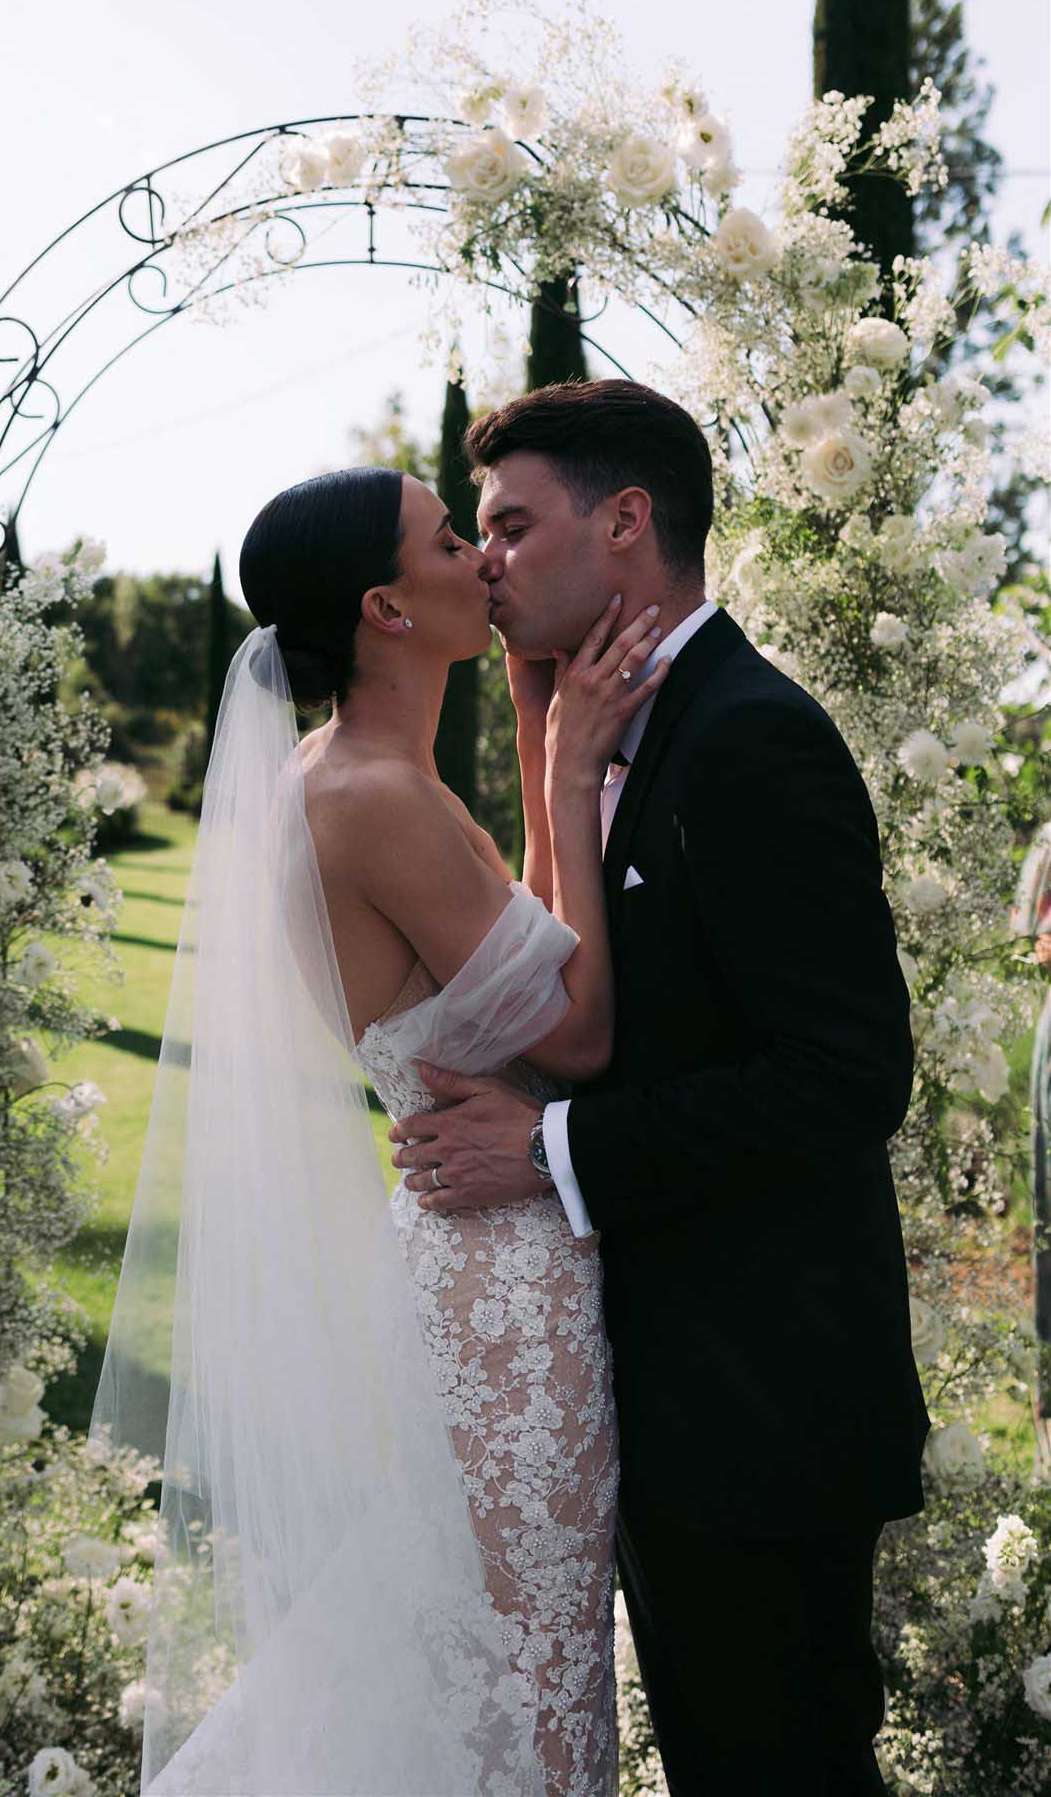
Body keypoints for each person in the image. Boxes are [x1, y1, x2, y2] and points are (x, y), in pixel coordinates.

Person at [391, 377, 932, 1797]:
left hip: (763, 1409)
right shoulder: (606, 726)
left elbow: (846, 1074)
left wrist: (552, 1149)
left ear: (626, 522)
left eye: (511, 524)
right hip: (655, 1391)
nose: (487, 560)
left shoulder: (747, 735)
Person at [90, 459, 660, 1794]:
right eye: (450, 540)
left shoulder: (344, 770)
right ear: (386, 608)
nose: (483, 560)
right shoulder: (369, 797)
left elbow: (511, 946)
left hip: (474, 1248)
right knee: (528, 1669)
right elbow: (572, 1032)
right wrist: (574, 762)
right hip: (498, 1275)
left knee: (495, 1650)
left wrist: (534, 736)